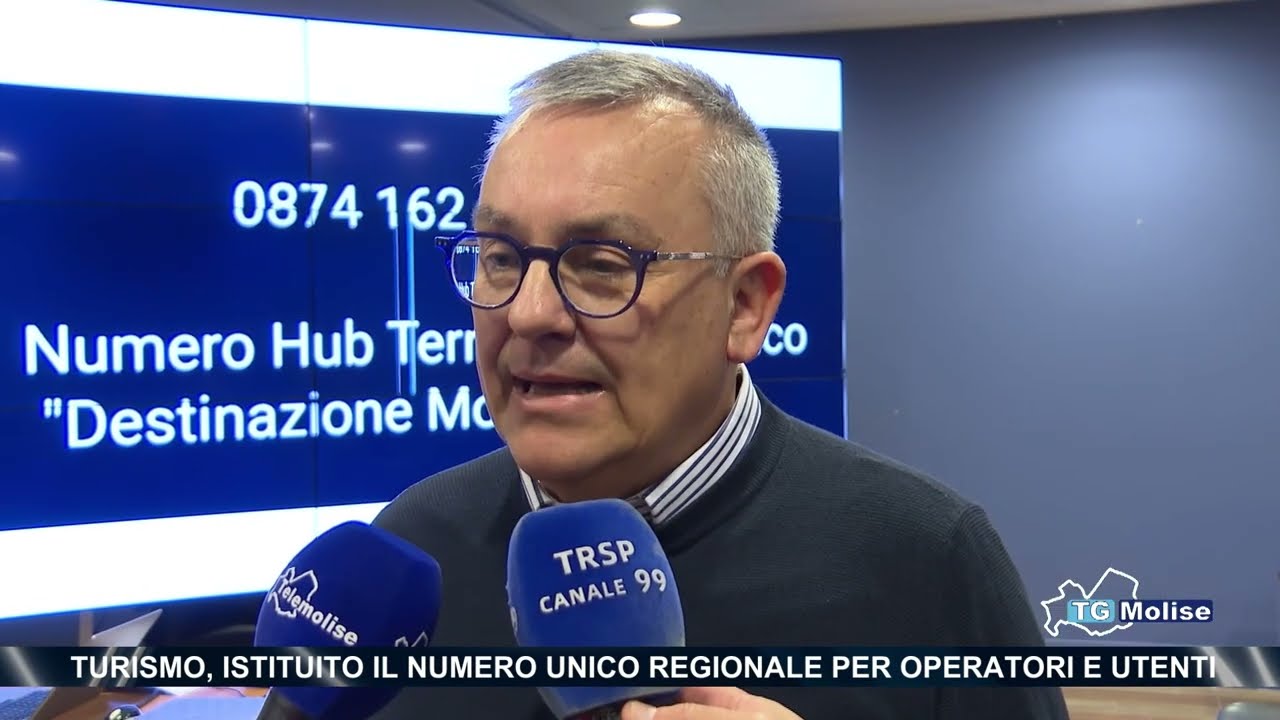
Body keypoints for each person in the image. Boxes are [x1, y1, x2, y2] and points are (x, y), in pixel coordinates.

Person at [372, 49, 1068, 720]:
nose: (528, 314)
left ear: (744, 306)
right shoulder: (413, 552)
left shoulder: (924, 560)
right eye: (500, 257)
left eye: (602, 264)